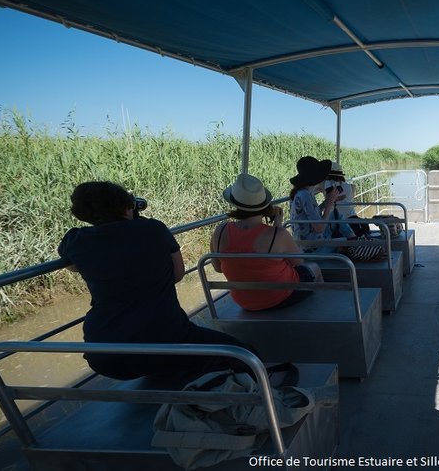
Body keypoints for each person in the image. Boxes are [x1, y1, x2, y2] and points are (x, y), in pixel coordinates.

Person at [58, 181, 254, 382]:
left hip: (104, 354)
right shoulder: (153, 229)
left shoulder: (75, 239)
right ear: (126, 206)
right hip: (167, 341)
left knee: (163, 361)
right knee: (244, 354)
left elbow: (74, 266)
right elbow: (178, 274)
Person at [210, 173, 322, 311]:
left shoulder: (220, 231)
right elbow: (299, 263)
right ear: (264, 206)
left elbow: (217, 268)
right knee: (314, 267)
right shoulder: (278, 235)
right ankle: (319, 309)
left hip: (244, 303)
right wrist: (278, 225)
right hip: (280, 298)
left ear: (235, 203)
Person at [289, 155, 348, 253]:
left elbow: (311, 215)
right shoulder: (305, 195)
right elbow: (319, 228)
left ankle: (353, 239)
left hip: (306, 241)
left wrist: (326, 202)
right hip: (311, 248)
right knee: (346, 243)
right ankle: (356, 241)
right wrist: (329, 204)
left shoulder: (302, 193)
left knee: (336, 216)